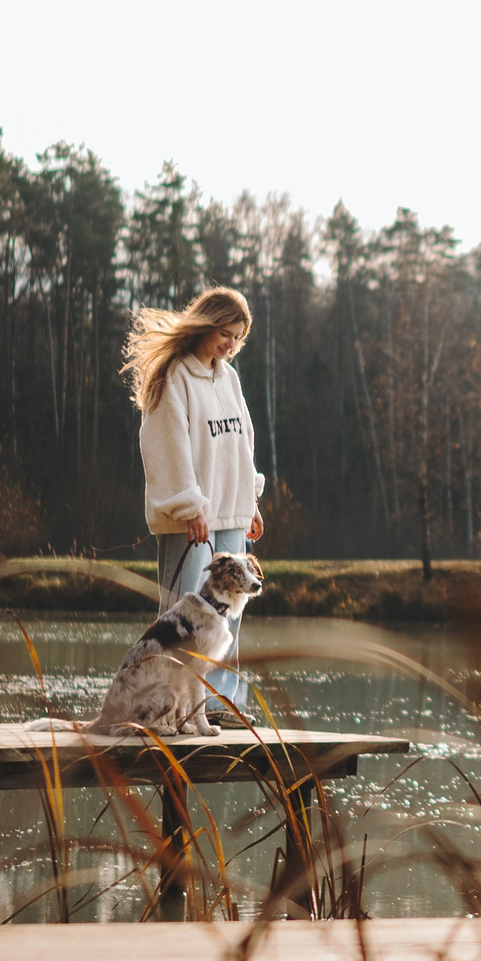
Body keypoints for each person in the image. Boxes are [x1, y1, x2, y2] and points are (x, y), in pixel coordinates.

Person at [124, 286, 265, 710]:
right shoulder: (175, 375)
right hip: (192, 518)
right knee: (183, 620)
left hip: (230, 516)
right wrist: (189, 504)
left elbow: (242, 444)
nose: (232, 344)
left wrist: (250, 501)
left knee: (225, 623)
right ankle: (167, 706)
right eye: (226, 333)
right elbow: (167, 444)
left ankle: (218, 708)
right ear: (206, 325)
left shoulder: (229, 378)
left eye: (238, 337)